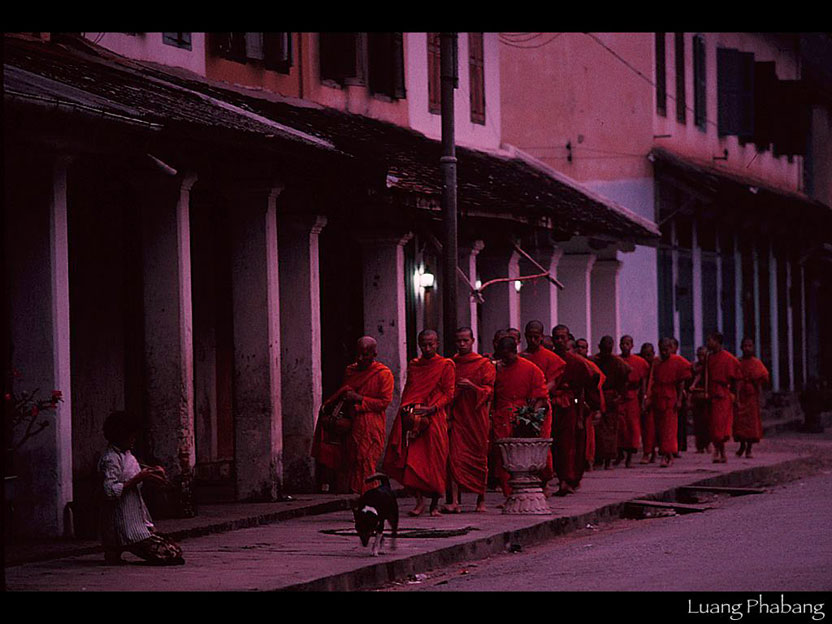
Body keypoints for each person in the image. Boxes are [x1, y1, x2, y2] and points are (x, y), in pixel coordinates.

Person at [383, 329, 455, 517]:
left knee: (436, 460)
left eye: (431, 344)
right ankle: (419, 502)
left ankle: (434, 504)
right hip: (414, 419)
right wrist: (406, 410)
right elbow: (410, 390)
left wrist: (432, 408)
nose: (428, 348)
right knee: (413, 461)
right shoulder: (415, 365)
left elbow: (449, 393)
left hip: (435, 418)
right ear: (418, 344)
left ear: (437, 344)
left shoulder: (446, 365)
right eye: (424, 344)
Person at [98, 411, 184, 565]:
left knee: (175, 551)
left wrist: (153, 472)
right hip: (123, 522)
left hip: (137, 520)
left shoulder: (128, 455)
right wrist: (139, 478)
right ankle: (117, 549)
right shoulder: (110, 459)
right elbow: (110, 491)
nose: (134, 439)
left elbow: (136, 472)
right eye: (131, 435)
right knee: (167, 554)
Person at [313, 337, 394, 495]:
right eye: (358, 354)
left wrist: (360, 399)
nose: (360, 358)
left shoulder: (383, 374)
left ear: (374, 354)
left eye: (365, 354)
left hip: (372, 425)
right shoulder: (351, 370)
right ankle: (359, 501)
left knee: (366, 462)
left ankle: (368, 499)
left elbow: (384, 403)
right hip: (353, 424)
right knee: (354, 462)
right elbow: (343, 393)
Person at [492, 335, 550, 499]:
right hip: (501, 417)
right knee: (503, 458)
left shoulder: (531, 369)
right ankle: (509, 495)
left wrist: (531, 418)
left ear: (514, 351)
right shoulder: (497, 369)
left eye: (507, 356)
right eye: (502, 357)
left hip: (523, 417)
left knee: (524, 456)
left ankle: (531, 490)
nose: (505, 360)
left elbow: (541, 396)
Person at [445, 327, 495, 513]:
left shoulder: (483, 364)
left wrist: (473, 387)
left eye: (466, 340)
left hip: (477, 417)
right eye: (459, 341)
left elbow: (489, 391)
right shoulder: (451, 364)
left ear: (473, 341)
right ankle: (455, 501)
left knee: (479, 458)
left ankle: (480, 500)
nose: (462, 344)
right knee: (455, 459)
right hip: (458, 416)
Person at [550, 324, 601, 496]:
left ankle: (568, 480)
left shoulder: (577, 363)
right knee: (555, 446)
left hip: (570, 407)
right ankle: (558, 477)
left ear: (568, 339)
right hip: (551, 407)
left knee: (569, 445)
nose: (559, 341)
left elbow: (581, 391)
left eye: (562, 337)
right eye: (556, 337)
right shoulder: (549, 359)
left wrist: (579, 411)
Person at [520, 320, 566, 492]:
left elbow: (553, 382)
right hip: (523, 407)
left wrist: (538, 394)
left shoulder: (551, 358)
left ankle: (545, 481)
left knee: (542, 443)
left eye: (536, 337)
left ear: (542, 336)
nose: (533, 340)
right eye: (529, 337)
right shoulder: (521, 357)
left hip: (542, 406)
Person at [646, 338, 692, 468]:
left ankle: (668, 455)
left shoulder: (677, 361)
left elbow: (682, 381)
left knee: (670, 428)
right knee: (660, 428)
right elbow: (652, 380)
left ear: (671, 348)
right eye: (662, 350)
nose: (664, 352)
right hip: (658, 396)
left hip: (670, 396)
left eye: (667, 349)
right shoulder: (656, 362)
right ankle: (666, 454)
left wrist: (679, 400)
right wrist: (648, 397)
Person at [591, 336, 631, 470]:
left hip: (611, 399)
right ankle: (598, 459)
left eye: (608, 349)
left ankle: (608, 460)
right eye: (604, 349)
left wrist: (619, 396)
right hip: (597, 397)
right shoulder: (594, 360)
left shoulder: (618, 363)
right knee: (597, 430)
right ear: (599, 347)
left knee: (611, 430)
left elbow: (625, 378)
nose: (606, 352)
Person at [706, 332, 742, 464]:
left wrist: (736, 397)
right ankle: (719, 451)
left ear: (717, 341)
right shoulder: (709, 357)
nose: (708, 343)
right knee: (713, 426)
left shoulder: (729, 358)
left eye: (710, 340)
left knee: (720, 426)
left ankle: (720, 452)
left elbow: (737, 379)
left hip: (723, 394)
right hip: (712, 393)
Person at [733, 337, 769, 459]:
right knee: (740, 422)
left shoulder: (756, 363)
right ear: (741, 348)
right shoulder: (738, 362)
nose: (747, 348)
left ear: (753, 347)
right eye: (745, 346)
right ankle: (742, 445)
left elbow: (764, 377)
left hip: (752, 396)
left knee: (751, 423)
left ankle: (749, 448)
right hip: (740, 394)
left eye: (749, 346)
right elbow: (734, 379)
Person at [617, 335, 648, 467]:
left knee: (632, 427)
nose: (625, 346)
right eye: (623, 344)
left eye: (627, 344)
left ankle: (630, 456)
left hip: (633, 398)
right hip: (619, 397)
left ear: (632, 345)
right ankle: (620, 453)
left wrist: (643, 400)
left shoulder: (640, 362)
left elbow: (643, 383)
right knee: (620, 427)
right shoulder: (616, 360)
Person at [639, 342, 659, 463]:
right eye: (644, 355)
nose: (647, 358)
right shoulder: (642, 366)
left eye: (649, 355)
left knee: (657, 429)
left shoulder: (658, 365)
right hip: (646, 400)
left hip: (659, 399)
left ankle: (654, 452)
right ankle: (647, 452)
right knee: (647, 428)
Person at [688, 346, 710, 453]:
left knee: (708, 422)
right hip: (696, 397)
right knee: (698, 423)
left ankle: (707, 444)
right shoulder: (694, 367)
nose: (701, 358)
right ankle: (699, 446)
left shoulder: (710, 366)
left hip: (708, 397)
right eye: (699, 355)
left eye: (703, 355)